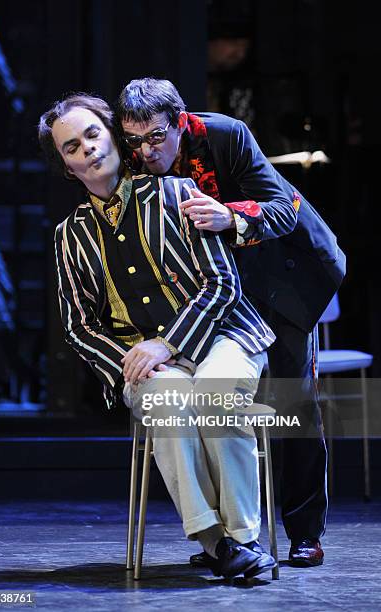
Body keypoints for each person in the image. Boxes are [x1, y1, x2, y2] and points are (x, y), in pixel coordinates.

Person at [38, 93, 278, 580]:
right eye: (71, 147)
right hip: (141, 358)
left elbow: (222, 283)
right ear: (66, 167)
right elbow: (78, 324)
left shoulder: (177, 193)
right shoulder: (70, 234)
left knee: (215, 393)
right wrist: (134, 360)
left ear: (113, 138)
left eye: (92, 134)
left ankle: (244, 535)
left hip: (222, 335)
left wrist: (166, 343)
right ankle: (217, 545)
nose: (86, 149)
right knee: (167, 396)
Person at [116, 77, 347, 567]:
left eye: (157, 137)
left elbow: (282, 209)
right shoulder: (135, 159)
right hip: (219, 289)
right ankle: (231, 540)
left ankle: (305, 532)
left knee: (292, 403)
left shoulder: (226, 134)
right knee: (211, 401)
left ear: (178, 123)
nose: (146, 151)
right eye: (135, 141)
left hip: (282, 273)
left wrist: (230, 217)